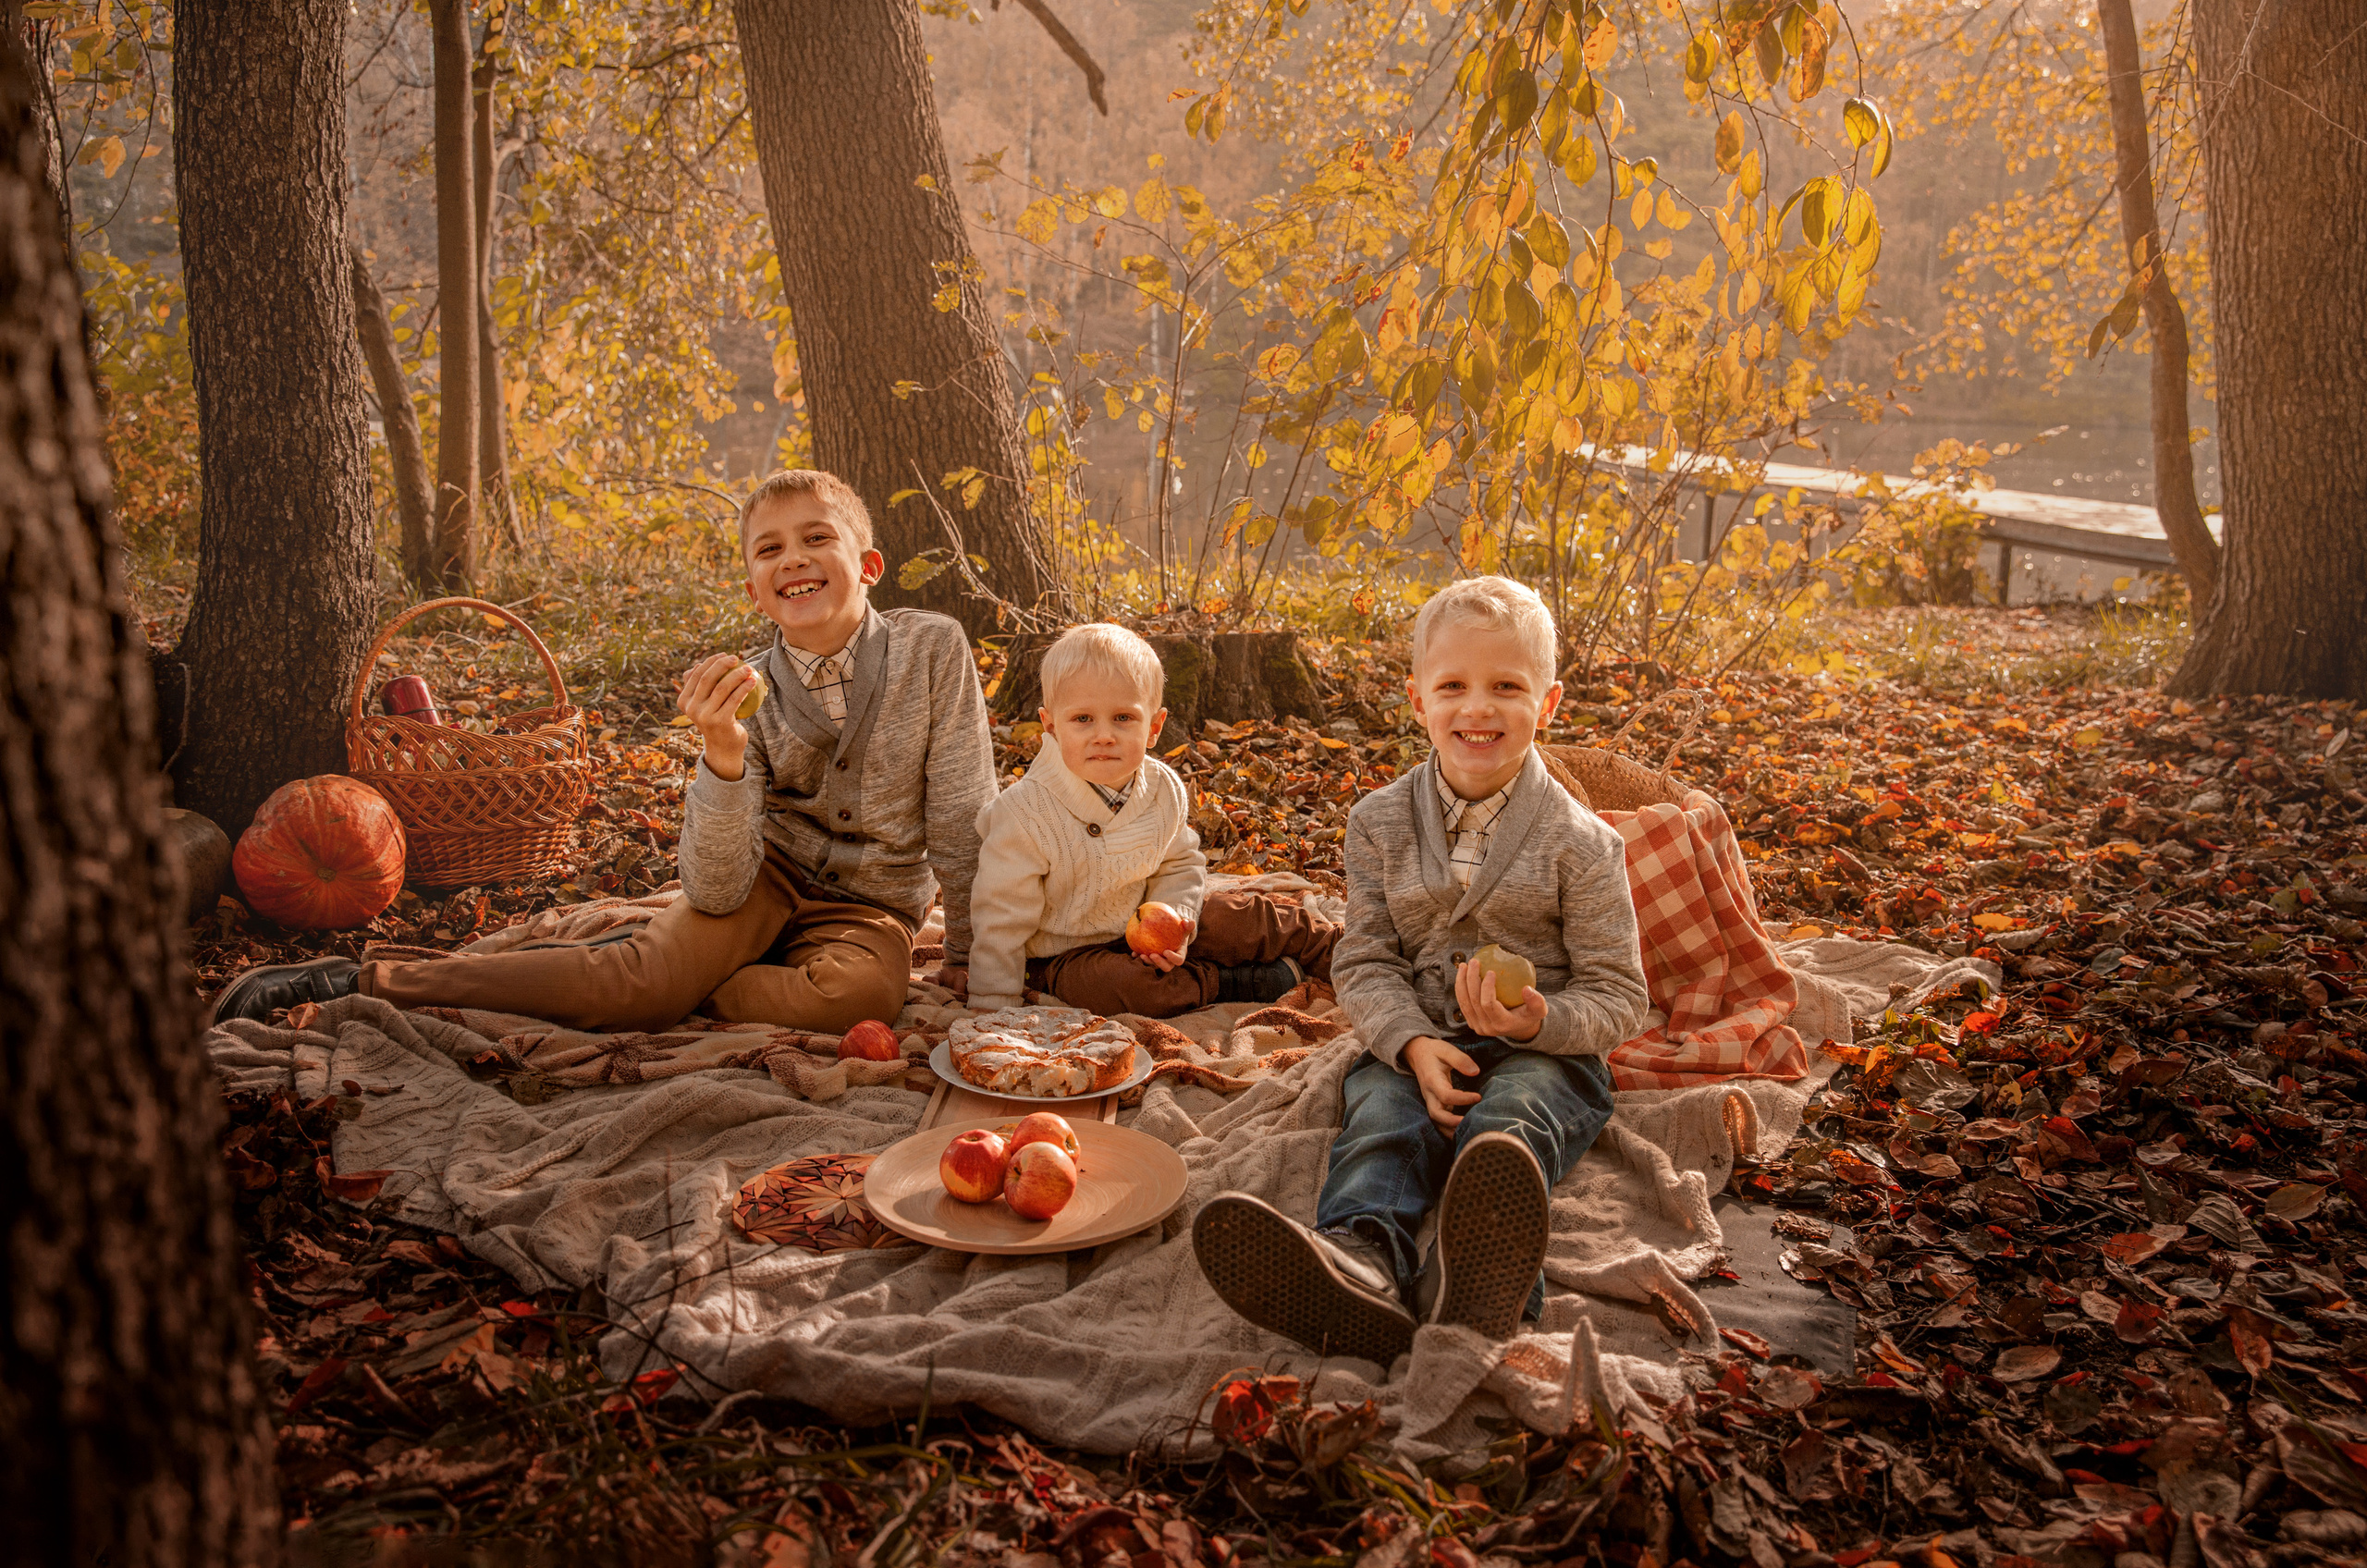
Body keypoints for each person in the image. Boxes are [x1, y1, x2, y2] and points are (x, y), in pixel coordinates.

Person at [211, 469, 996, 1035]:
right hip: (765, 879)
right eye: (769, 550)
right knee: (642, 982)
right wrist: (723, 755)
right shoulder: (742, 689)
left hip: (872, 908)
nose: (792, 556)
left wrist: (963, 945)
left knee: (854, 1002)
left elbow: (963, 809)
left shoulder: (933, 650)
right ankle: (365, 979)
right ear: (755, 591)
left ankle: (663, 978)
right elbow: (719, 888)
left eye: (816, 538)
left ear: (866, 567)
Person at [1192, 576, 1649, 1366]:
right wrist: (1407, 1043)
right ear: (1417, 699)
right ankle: (1359, 1262)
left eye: (1507, 687)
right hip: (1415, 1040)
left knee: (1513, 1123)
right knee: (1379, 1124)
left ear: (1549, 702)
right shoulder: (1376, 825)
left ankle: (1484, 1278)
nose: (1479, 709)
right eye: (1454, 687)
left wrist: (1542, 1020)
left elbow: (1620, 995)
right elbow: (1363, 959)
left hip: (1546, 1052)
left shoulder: (1585, 845)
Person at [961, 622, 1338, 1017]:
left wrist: (1178, 917)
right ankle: (1233, 982)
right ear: (1051, 724)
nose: (1104, 735)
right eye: (1083, 719)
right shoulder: (1024, 814)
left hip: (1147, 916)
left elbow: (1179, 862)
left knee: (1241, 917)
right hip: (1066, 953)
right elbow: (999, 919)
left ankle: (1337, 951)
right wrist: (992, 1007)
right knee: (1129, 989)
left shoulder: (1162, 788)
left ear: (1154, 727)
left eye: (1123, 718)